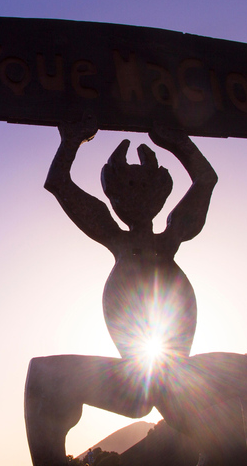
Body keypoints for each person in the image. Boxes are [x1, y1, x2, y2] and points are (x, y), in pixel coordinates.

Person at [24, 117, 218, 466]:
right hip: (135, 377)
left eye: (142, 186)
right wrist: (70, 141)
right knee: (43, 374)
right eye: (126, 187)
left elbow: (206, 181)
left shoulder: (173, 234)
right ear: (113, 197)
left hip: (173, 374)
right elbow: (59, 184)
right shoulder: (114, 235)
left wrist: (179, 143)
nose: (135, 194)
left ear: (160, 191)